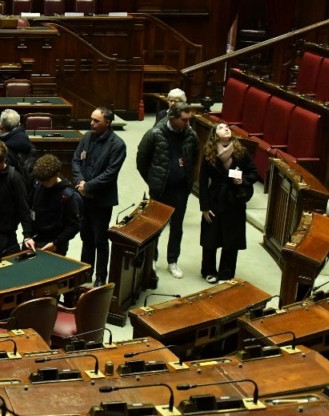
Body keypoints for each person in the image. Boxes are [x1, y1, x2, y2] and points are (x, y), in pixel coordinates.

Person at [136, 101, 197, 279]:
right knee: (155, 227)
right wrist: (153, 181)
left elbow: (195, 157)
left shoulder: (191, 135)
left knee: (177, 228)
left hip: (181, 190)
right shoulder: (154, 134)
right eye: (184, 120)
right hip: (160, 190)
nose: (188, 123)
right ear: (173, 118)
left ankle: (172, 261)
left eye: (189, 119)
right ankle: (152, 260)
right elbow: (142, 160)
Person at [72, 106, 127, 286]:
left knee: (100, 240)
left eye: (96, 121)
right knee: (85, 236)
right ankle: (86, 271)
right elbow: (75, 161)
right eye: (92, 119)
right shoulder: (87, 137)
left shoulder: (117, 144)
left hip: (101, 200)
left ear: (108, 123)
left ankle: (101, 276)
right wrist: (81, 182)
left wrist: (88, 186)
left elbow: (110, 173)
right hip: (83, 198)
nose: (91, 123)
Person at [198, 123, 259, 283]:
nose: (226, 129)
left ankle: (226, 274)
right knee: (211, 237)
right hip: (215, 198)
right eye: (221, 128)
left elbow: (253, 173)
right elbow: (203, 181)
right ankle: (208, 271)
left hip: (234, 200)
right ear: (215, 134)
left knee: (231, 239)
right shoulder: (208, 153)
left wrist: (242, 180)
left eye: (227, 127)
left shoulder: (241, 152)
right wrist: (204, 207)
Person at [24, 155, 82, 257]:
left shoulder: (67, 195)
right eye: (41, 180)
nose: (44, 183)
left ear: (56, 175)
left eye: (46, 181)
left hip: (54, 245)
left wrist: (56, 243)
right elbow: (29, 212)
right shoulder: (38, 185)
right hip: (33, 241)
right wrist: (27, 236)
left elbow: (74, 226)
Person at [0, 108, 38, 188]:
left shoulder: (1, 150)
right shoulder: (29, 143)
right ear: (19, 124)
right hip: (29, 190)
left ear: (0, 125)